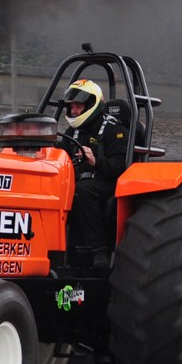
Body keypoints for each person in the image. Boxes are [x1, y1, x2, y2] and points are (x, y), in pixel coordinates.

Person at [59, 79, 129, 270]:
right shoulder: (72, 132)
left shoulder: (115, 130)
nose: (74, 111)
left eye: (78, 106)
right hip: (80, 182)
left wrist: (95, 161)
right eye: (72, 107)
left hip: (110, 184)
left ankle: (99, 251)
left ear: (91, 105)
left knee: (82, 190)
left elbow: (121, 168)